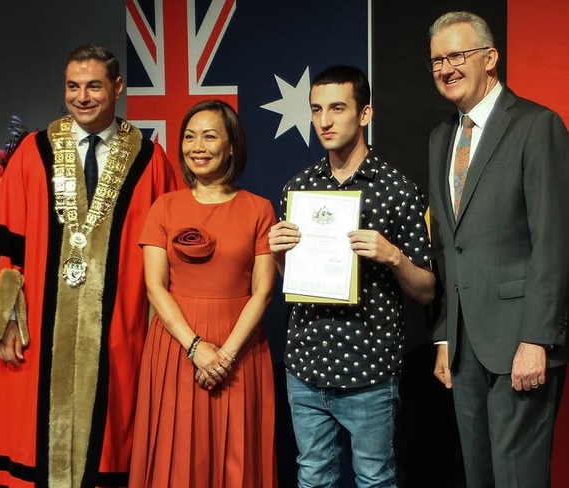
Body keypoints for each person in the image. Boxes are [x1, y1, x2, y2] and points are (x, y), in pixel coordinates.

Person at [0, 44, 178, 488]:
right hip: (38, 326)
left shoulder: (151, 160)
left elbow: (167, 252)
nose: (82, 97)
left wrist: (161, 333)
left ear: (117, 87)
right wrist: (3, 321)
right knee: (31, 442)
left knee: (114, 441)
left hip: (120, 331)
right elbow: (5, 236)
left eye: (94, 86)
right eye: (73, 86)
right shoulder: (34, 152)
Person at [269, 65, 435, 488]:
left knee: (375, 478)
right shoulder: (297, 188)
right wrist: (279, 255)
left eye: (337, 108)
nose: (324, 121)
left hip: (370, 369)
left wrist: (394, 256)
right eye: (316, 110)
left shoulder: (398, 190)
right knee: (312, 476)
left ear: (364, 115)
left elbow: (426, 290)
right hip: (305, 363)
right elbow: (294, 280)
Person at [427, 11, 569, 488]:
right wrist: (447, 334)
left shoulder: (537, 125)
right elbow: (450, 246)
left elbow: (555, 240)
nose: (446, 68)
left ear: (490, 58)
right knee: (479, 477)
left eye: (457, 56)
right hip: (465, 348)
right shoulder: (441, 138)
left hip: (520, 343)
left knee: (519, 478)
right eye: (437, 60)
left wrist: (537, 339)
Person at [128, 99, 278, 487]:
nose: (197, 146)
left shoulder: (260, 209)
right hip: (176, 348)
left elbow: (262, 292)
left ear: (231, 147)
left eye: (210, 136)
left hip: (240, 348)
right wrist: (196, 348)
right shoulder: (164, 207)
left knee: (238, 459)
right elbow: (154, 286)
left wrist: (224, 355)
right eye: (190, 137)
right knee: (176, 462)